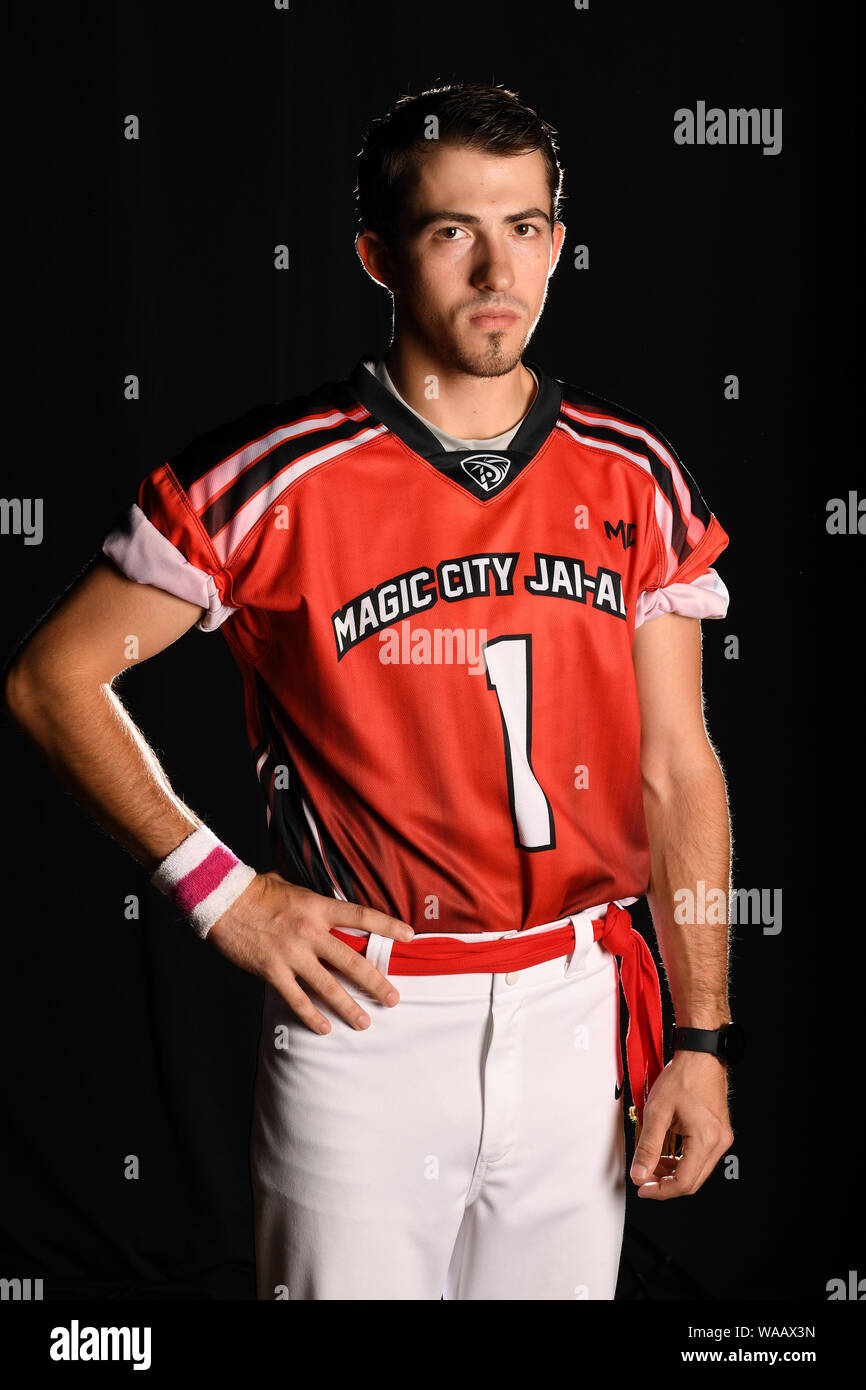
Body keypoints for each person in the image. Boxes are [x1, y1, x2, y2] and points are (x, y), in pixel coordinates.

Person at [3, 81, 738, 1301]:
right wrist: (224, 897)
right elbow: (49, 680)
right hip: (369, 1020)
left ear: (557, 242)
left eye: (523, 226)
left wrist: (702, 1039)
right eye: (451, 231)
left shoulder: (633, 471)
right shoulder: (272, 473)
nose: (494, 267)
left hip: (577, 1011)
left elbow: (677, 765)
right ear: (377, 255)